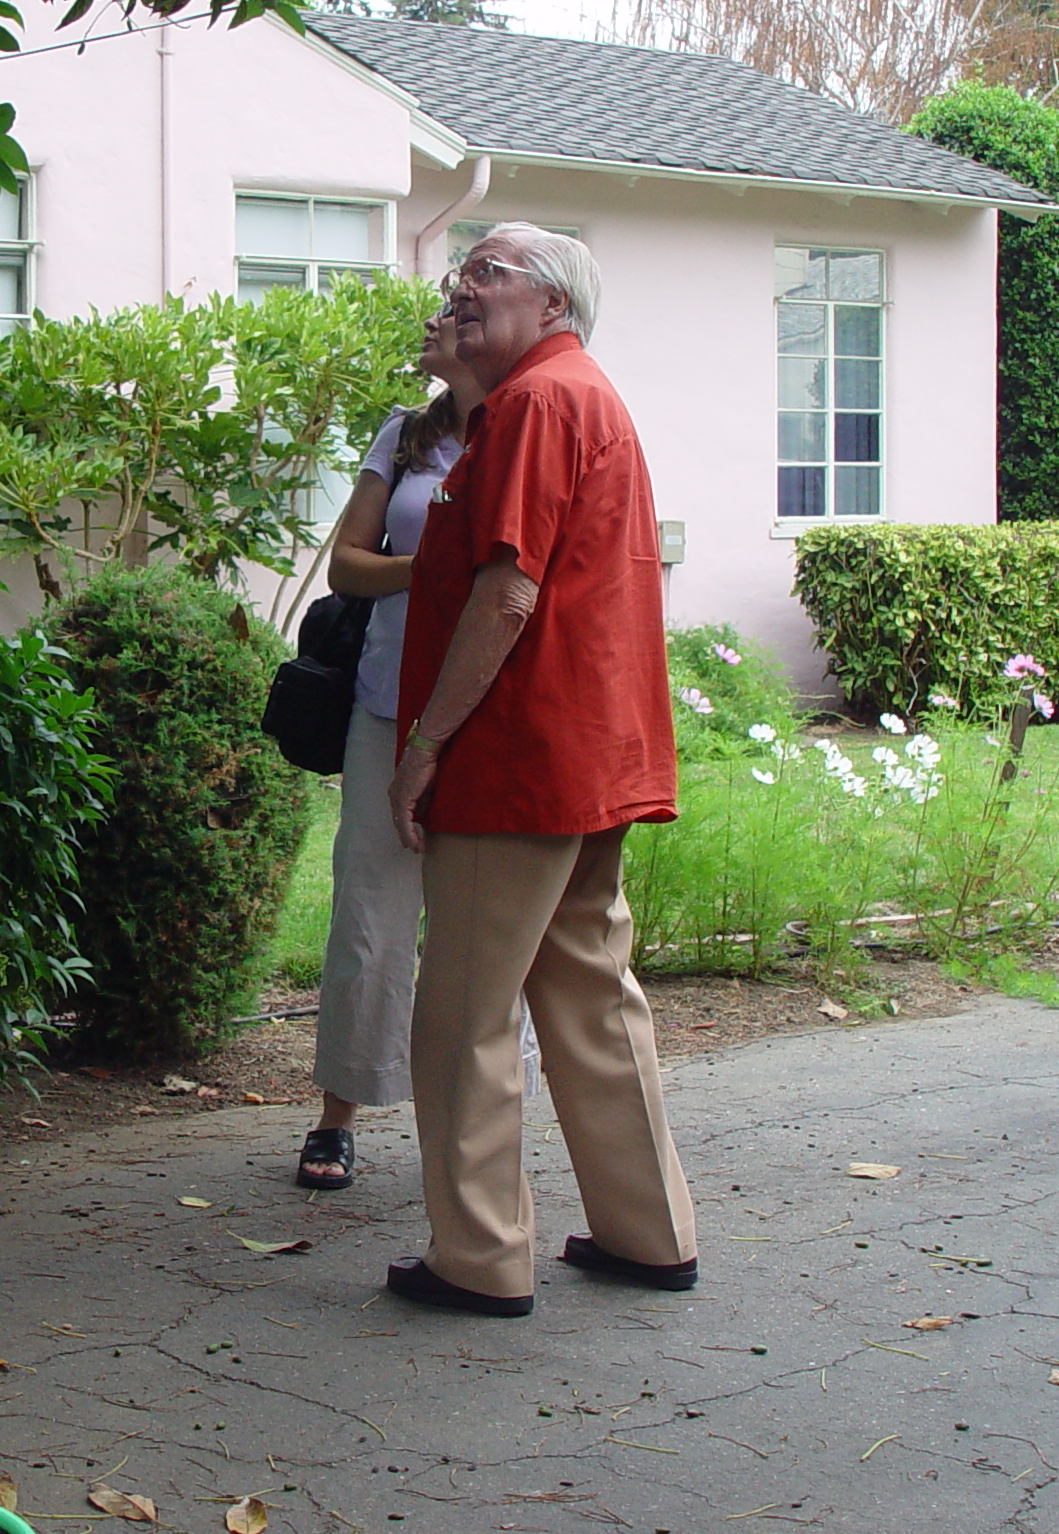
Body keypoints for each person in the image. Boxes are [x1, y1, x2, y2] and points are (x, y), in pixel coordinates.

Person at [383, 223, 697, 1318]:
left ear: (552, 304)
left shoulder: (531, 404)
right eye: (458, 273)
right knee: (589, 993)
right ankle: (648, 1232)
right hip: (590, 750)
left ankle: (478, 1256)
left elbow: (506, 592)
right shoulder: (584, 393)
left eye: (486, 274)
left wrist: (422, 745)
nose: (459, 291)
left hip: (516, 757)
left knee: (464, 1011)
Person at [295, 311, 483, 1190]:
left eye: (452, 317)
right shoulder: (405, 435)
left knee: (482, 923)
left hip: (491, 713)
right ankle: (340, 1114)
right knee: (367, 914)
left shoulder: (527, 429)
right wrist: (435, 566)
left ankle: (481, 1117)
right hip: (384, 703)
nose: (434, 325)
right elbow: (347, 566)